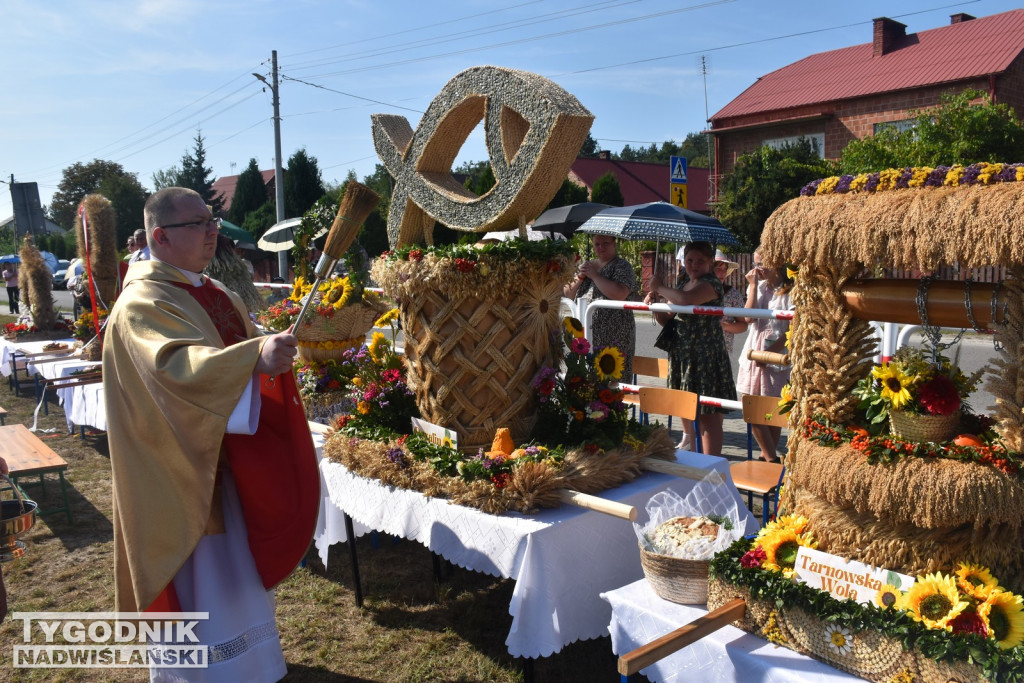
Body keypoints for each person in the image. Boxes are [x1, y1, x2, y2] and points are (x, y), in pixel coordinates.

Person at [103, 187, 319, 682]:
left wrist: (266, 352)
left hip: (226, 465)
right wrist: (252, 358)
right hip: (177, 473)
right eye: (197, 224)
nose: (212, 231)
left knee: (234, 585)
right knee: (199, 586)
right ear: (160, 236)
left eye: (212, 221)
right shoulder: (142, 302)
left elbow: (235, 351)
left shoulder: (213, 291)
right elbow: (173, 368)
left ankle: (250, 668)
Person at [645, 241, 737, 456]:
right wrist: (656, 304)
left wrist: (659, 287)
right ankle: (695, 458)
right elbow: (668, 319)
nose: (694, 265)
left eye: (700, 260)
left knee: (709, 414)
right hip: (683, 354)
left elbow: (686, 301)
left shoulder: (711, 283)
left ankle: (711, 463)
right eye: (689, 260)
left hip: (705, 355)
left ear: (710, 262)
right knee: (686, 407)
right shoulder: (684, 281)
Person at [736, 248, 794, 463]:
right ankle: (770, 456)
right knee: (750, 403)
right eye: (755, 264)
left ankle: (767, 456)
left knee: (772, 407)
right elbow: (749, 318)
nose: (758, 269)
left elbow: (793, 328)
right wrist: (751, 286)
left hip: (777, 352)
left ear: (777, 264)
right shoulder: (759, 286)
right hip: (754, 349)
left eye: (762, 264)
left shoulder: (790, 291)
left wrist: (770, 353)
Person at [563, 234, 638, 377]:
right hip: (587, 333)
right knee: (586, 379)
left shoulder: (622, 266)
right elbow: (568, 293)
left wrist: (595, 276)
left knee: (612, 381)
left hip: (615, 334)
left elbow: (620, 293)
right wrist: (580, 277)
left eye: (605, 243)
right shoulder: (587, 265)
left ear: (614, 244)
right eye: (597, 244)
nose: (601, 247)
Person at [714, 250, 747, 356]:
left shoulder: (732, 294)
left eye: (724, 269)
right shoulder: (695, 291)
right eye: (718, 268)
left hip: (721, 353)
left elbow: (743, 325)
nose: (723, 272)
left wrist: (724, 326)